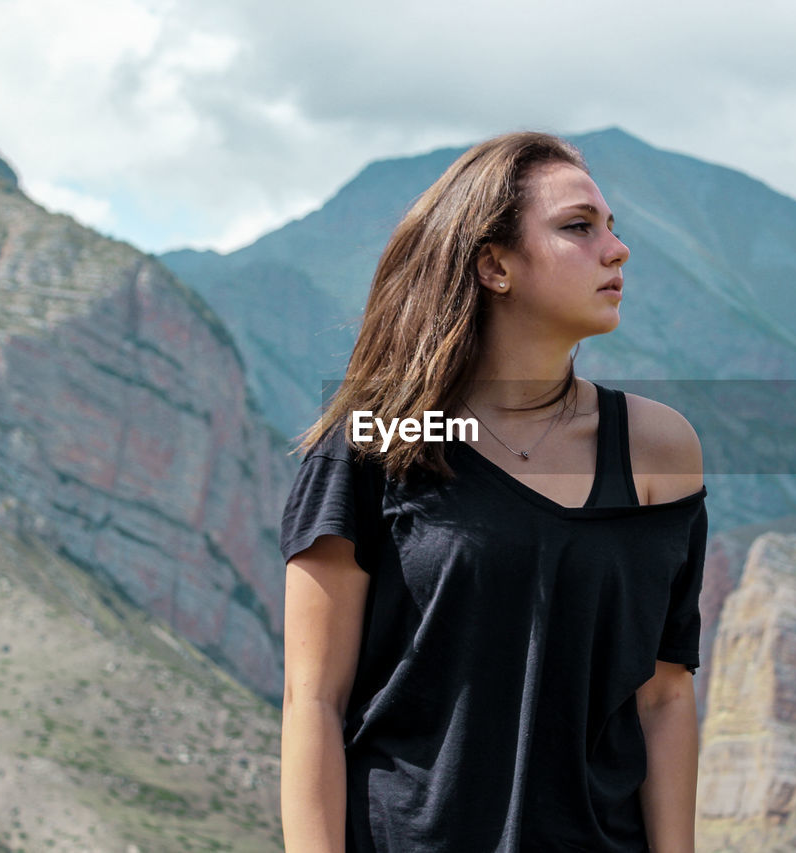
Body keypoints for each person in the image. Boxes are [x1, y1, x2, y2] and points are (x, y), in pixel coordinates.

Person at [279, 131, 707, 852]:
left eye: (613, 227)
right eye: (579, 226)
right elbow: (313, 701)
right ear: (495, 265)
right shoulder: (370, 446)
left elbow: (663, 697)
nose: (617, 249)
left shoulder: (660, 450)